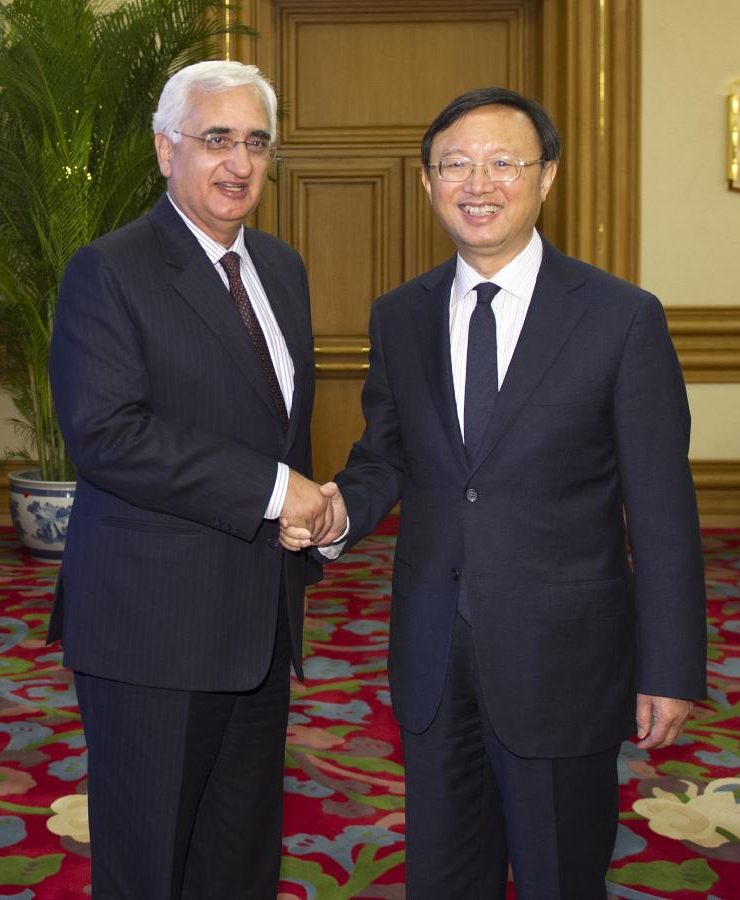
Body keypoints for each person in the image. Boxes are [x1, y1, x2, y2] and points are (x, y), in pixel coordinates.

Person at [280, 87, 707, 899]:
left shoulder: (620, 318)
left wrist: (671, 664)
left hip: (564, 661)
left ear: (545, 176)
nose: (477, 184)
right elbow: (386, 457)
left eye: (502, 163)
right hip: (434, 653)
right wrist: (336, 511)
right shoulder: (399, 315)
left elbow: (661, 509)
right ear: (426, 183)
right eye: (455, 165)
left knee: (558, 875)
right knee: (442, 875)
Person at [48, 60, 338, 899]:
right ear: (164, 148)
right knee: (149, 868)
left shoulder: (281, 268)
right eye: (216, 139)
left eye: (255, 141)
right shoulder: (110, 270)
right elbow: (108, 436)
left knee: (239, 862)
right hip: (153, 631)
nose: (239, 163)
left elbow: (273, 421)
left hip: (261, 623)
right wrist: (273, 490)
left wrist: (301, 511)